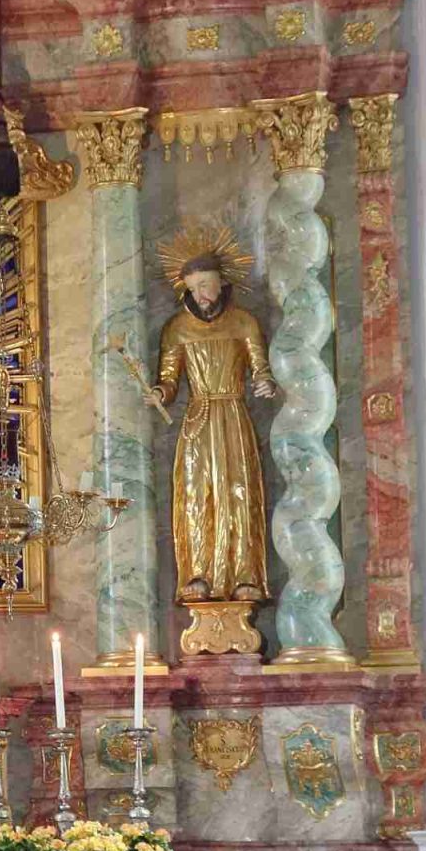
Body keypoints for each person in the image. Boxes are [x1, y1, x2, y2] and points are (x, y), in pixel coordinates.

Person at [148, 247, 276, 606]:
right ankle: (198, 574)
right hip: (198, 420)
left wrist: (265, 383)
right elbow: (169, 379)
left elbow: (261, 369)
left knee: (240, 493)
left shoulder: (244, 322)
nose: (200, 294)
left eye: (205, 284)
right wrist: (160, 392)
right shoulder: (177, 328)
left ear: (221, 281)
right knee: (196, 495)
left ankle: (246, 575)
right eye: (192, 288)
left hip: (233, 416)